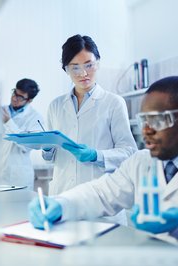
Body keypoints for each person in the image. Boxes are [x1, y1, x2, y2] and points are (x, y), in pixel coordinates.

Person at [29, 76, 178, 266]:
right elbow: (101, 192)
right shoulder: (142, 161)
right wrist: (61, 204)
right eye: (144, 120)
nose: (147, 131)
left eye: (158, 120)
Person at [43, 34, 137, 196]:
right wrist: (46, 149)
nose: (83, 73)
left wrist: (96, 155)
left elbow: (129, 151)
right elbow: (50, 158)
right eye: (75, 67)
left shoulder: (113, 102)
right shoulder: (56, 106)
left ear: (98, 63)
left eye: (89, 65)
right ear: (66, 70)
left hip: (100, 194)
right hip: (63, 193)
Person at [0, 78, 44, 191]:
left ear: (29, 100)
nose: (14, 98)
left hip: (18, 176)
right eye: (14, 93)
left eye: (20, 97)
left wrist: (8, 122)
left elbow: (28, 145)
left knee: (18, 207)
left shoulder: (35, 119)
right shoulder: (1, 111)